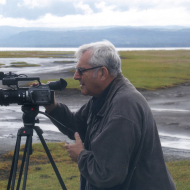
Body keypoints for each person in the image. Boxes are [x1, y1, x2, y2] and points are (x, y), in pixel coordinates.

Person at [45, 40, 176, 190]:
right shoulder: (106, 96)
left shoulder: (123, 107)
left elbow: (107, 174)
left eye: (81, 70)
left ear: (102, 73)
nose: (76, 76)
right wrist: (51, 106)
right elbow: (77, 126)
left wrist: (80, 156)